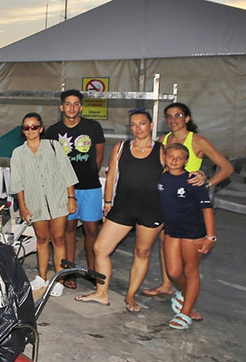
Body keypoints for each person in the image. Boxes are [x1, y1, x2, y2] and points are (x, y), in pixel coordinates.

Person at [144, 102, 232, 314]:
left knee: (188, 263)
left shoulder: (198, 141)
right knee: (165, 245)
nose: (173, 120)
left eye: (178, 115)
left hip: (189, 206)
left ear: (187, 118)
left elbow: (227, 168)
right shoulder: (163, 141)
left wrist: (206, 182)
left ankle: (187, 299)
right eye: (169, 116)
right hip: (167, 203)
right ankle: (167, 285)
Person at [75, 110, 164, 312]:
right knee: (100, 248)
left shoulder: (162, 151)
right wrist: (107, 203)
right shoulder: (121, 148)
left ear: (151, 125)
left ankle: (130, 295)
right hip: (123, 206)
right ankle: (101, 293)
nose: (137, 128)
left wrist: (199, 174)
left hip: (151, 209)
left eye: (142, 123)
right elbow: (111, 177)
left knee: (142, 252)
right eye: (133, 124)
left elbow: (177, 171)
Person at [9, 113, 78, 296]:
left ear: (41, 128)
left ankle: (59, 280)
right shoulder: (18, 153)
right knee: (41, 239)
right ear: (23, 131)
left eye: (34, 126)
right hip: (35, 202)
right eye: (26, 127)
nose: (30, 130)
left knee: (58, 239)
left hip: (58, 200)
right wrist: (23, 207)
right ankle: (41, 277)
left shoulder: (54, 147)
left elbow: (67, 172)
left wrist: (71, 197)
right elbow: (17, 183)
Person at [44, 90, 105, 289]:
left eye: (76, 104)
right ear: (62, 107)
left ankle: (92, 269)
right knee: (69, 229)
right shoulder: (53, 131)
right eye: (68, 104)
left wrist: (89, 174)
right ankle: (69, 271)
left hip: (90, 187)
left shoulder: (93, 127)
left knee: (91, 230)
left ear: (81, 107)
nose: (72, 107)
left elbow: (98, 156)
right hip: (64, 189)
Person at [157, 143, 216, 330]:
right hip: (172, 231)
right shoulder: (161, 178)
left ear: (186, 161)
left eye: (179, 158)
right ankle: (186, 295)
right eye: (170, 156)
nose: (174, 161)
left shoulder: (193, 181)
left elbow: (207, 209)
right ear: (164, 157)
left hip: (193, 233)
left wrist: (210, 237)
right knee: (174, 272)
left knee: (191, 271)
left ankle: (186, 312)